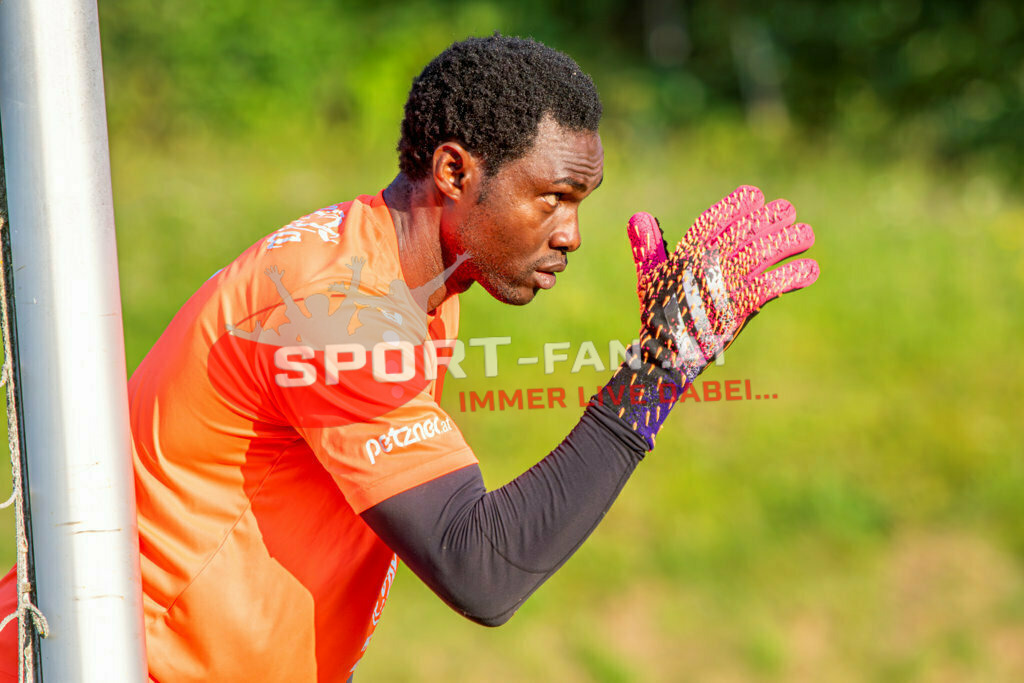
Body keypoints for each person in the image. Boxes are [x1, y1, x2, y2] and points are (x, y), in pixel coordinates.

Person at [0, 34, 818, 681]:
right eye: (551, 197)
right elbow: (481, 565)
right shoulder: (338, 310)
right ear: (455, 170)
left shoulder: (408, 281)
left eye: (580, 202)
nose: (570, 233)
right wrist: (654, 378)